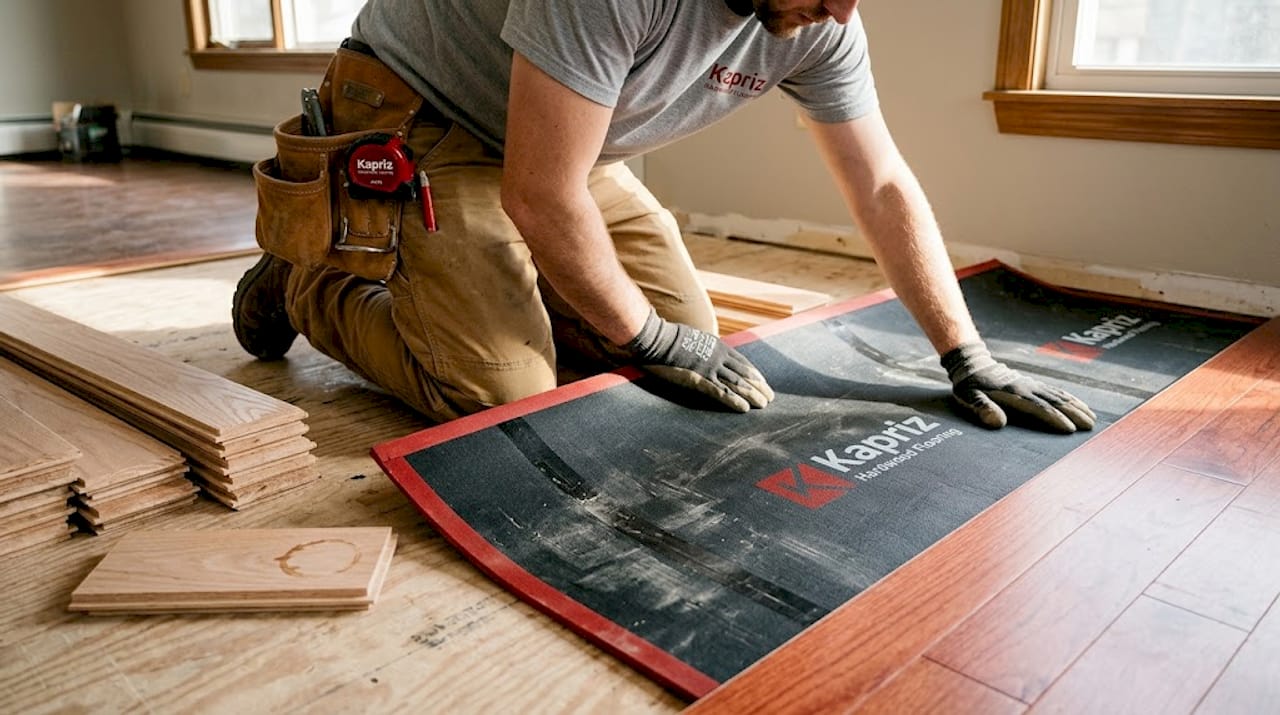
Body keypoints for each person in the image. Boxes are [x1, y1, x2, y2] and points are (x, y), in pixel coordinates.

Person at [233, 0, 1096, 434]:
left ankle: (493, 280)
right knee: (503, 391)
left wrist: (964, 353)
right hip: (428, 112)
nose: (841, 11)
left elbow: (882, 187)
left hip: (571, 142)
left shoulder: (822, 19)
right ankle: (312, 280)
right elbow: (539, 195)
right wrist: (636, 332)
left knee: (683, 340)